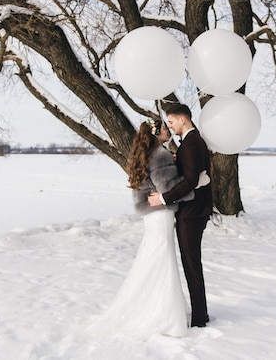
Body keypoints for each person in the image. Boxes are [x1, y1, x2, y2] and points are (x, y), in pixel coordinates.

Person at [87, 119, 191, 340]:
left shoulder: (146, 154)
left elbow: (156, 182)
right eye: (165, 129)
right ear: (156, 134)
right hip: (161, 214)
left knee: (154, 258)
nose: (168, 131)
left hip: (151, 216)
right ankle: (164, 316)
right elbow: (166, 187)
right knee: (163, 261)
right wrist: (194, 182)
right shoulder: (160, 154)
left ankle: (156, 308)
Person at [148, 103, 213, 328]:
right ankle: (200, 313)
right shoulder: (189, 143)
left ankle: (199, 318)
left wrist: (164, 198)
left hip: (193, 212)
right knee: (190, 262)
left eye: (172, 122)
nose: (171, 126)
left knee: (191, 263)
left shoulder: (193, 142)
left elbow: (190, 181)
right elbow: (192, 174)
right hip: (193, 210)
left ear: (183, 120)